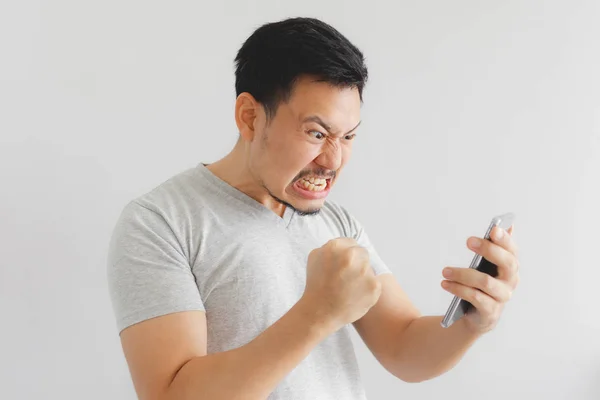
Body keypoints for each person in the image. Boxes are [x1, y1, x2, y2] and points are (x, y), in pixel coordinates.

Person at [106, 16, 520, 400]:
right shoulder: (161, 222)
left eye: (349, 136)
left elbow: (404, 349)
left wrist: (472, 322)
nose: (334, 160)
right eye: (317, 133)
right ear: (250, 117)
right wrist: (315, 315)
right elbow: (169, 394)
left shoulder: (338, 225)